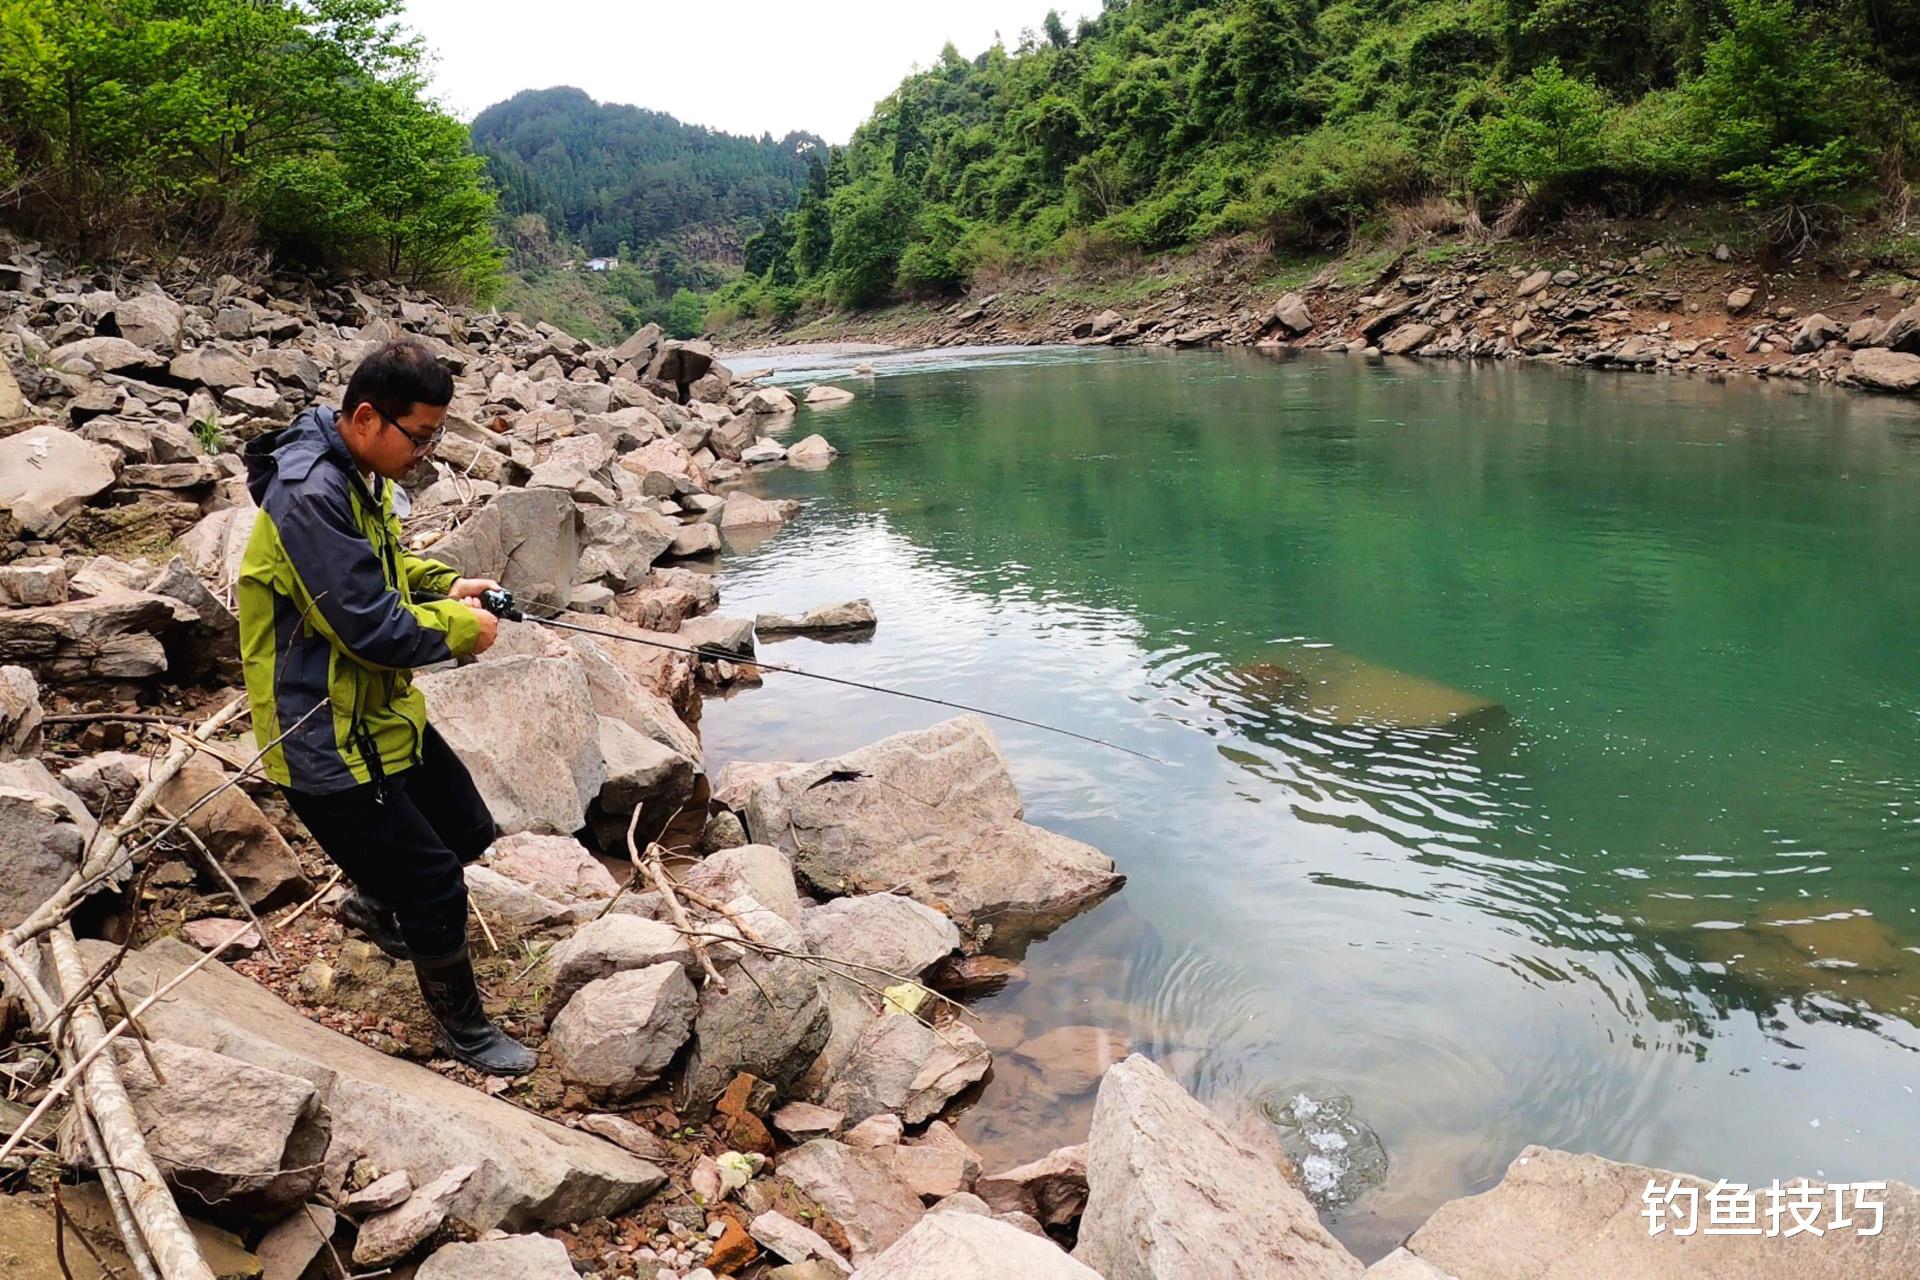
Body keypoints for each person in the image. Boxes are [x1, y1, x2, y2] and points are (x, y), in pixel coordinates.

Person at [235, 339, 535, 1075]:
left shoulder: (350, 469)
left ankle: (374, 905)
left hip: (372, 713)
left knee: (465, 825)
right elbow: (371, 628)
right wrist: (464, 630)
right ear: (368, 416)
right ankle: (462, 1031)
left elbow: (378, 566)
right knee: (435, 879)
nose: (428, 453)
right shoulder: (309, 494)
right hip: (322, 734)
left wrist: (444, 584)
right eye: (422, 436)